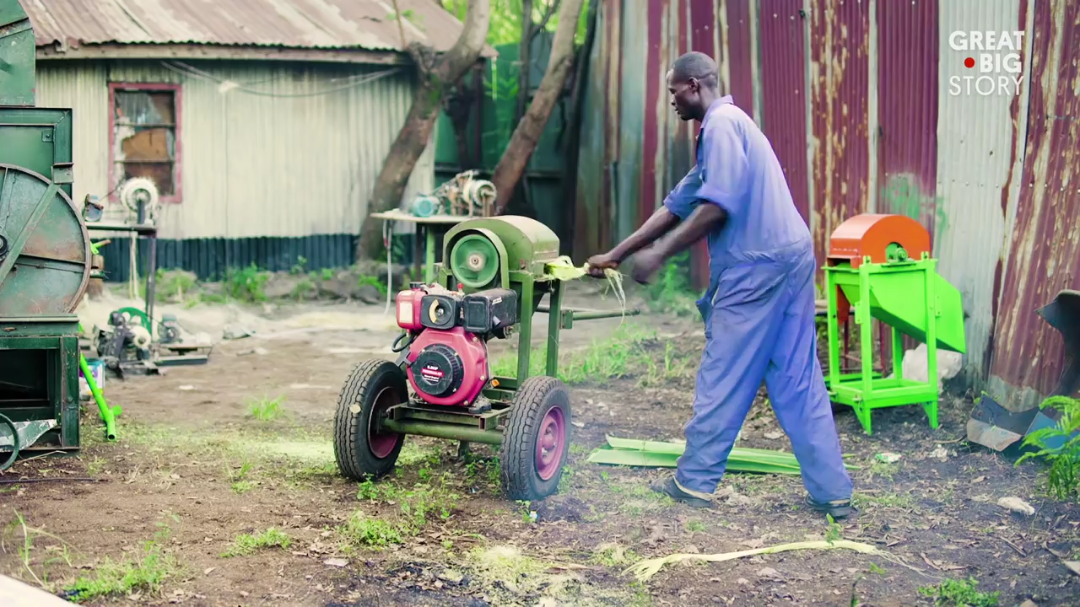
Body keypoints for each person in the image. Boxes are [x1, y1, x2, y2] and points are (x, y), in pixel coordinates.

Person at [587, 51, 854, 519]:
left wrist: (661, 254)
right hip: (790, 258)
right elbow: (677, 206)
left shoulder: (721, 125)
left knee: (724, 372)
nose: (671, 102)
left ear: (693, 85)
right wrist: (618, 254)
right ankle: (833, 492)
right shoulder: (729, 130)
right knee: (797, 378)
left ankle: (694, 483)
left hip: (756, 268)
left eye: (673, 92)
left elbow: (719, 205)